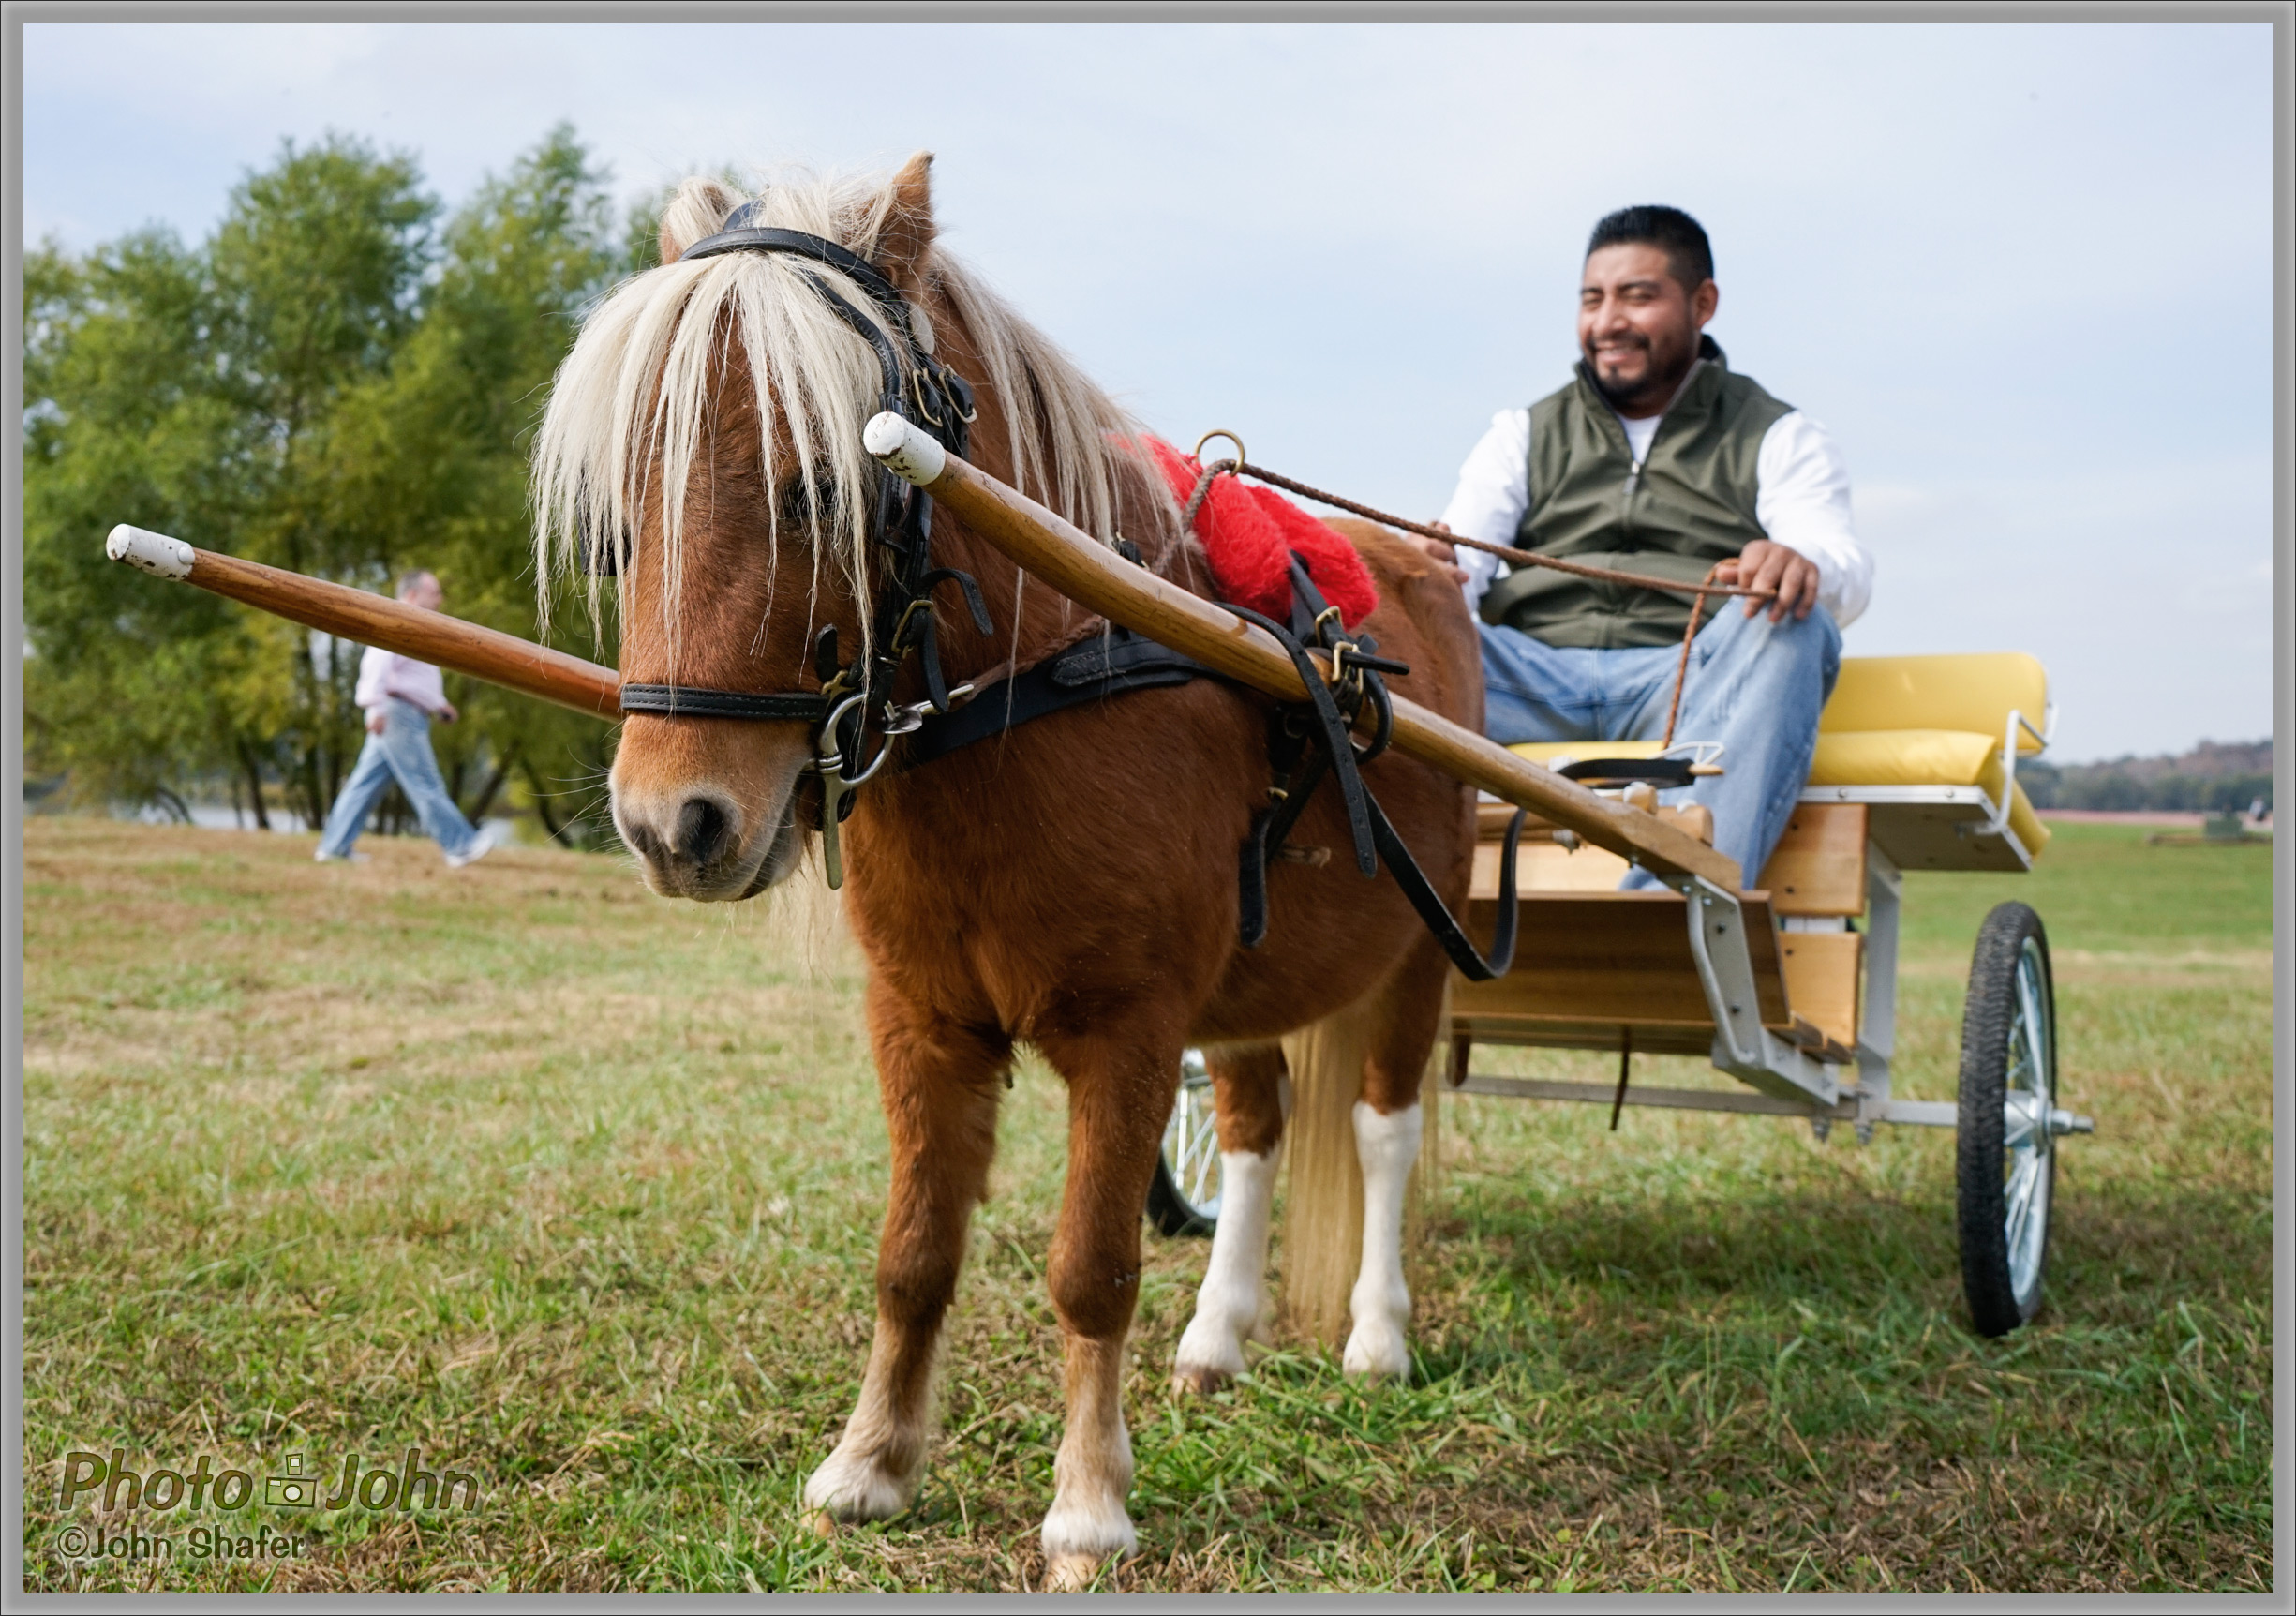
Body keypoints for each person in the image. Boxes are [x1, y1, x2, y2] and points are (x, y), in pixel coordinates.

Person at [1413, 205, 1871, 888]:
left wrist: (1799, 563)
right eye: (1593, 299)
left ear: (1703, 303)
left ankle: (1671, 907)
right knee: (1381, 630)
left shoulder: (1779, 433)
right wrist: (1425, 574)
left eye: (1638, 296)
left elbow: (1841, 563)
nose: (1608, 322)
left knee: (1798, 625)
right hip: (1524, 677)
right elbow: (1464, 567)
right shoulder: (1521, 433)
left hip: (1689, 679)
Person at [314, 570, 498, 868]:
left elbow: (411, 676)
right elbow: (377, 663)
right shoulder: (400, 619)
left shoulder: (415, 624)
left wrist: (439, 705)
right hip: (397, 713)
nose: (439, 600)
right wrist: (375, 707)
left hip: (403, 710)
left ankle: (333, 847)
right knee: (424, 780)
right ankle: (459, 844)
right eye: (434, 593)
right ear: (413, 594)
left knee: (364, 784)